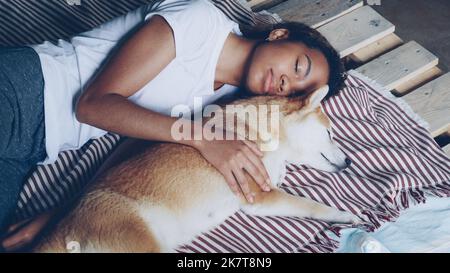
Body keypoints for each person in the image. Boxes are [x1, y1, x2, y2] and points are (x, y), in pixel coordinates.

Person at [0, 0, 345, 251]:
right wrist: (203, 139)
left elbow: (137, 146)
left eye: (298, 91)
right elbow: (93, 105)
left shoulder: (224, 104)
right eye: (299, 66)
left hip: (29, 152)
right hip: (21, 90)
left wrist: (67, 214)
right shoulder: (200, 21)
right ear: (279, 35)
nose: (287, 85)